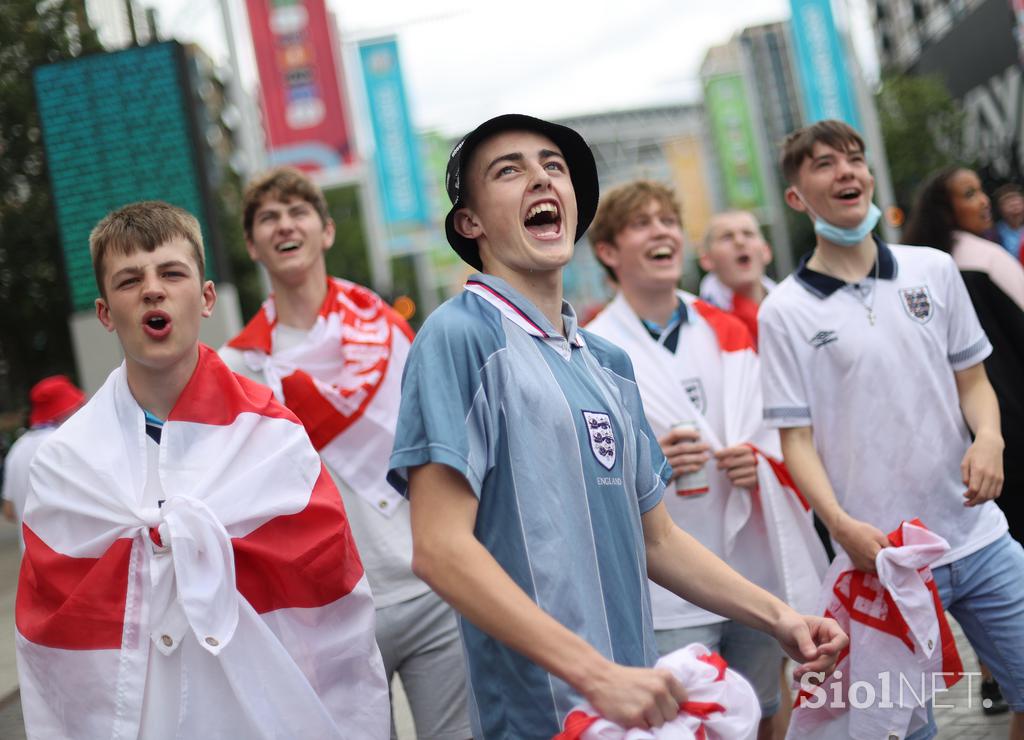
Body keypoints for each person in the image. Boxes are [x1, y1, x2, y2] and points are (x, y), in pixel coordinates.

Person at [386, 113, 847, 739]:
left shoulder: (607, 361)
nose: (541, 179)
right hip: (541, 717)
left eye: (554, 166)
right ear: (469, 222)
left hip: (633, 709)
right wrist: (595, 675)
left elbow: (657, 540)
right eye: (508, 170)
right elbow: (439, 549)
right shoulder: (459, 335)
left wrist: (780, 617)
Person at [16, 201, 389, 740]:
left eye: (172, 273)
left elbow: (332, 605)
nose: (152, 290)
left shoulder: (273, 438)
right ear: (104, 313)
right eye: (128, 281)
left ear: (207, 297)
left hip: (257, 714)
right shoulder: (65, 461)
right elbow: (49, 638)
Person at [759, 119, 1024, 739]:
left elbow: (974, 382)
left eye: (855, 158)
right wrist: (841, 525)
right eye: (824, 164)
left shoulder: (933, 270)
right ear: (797, 197)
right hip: (879, 562)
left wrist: (990, 438)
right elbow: (794, 441)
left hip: (979, 537)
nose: (846, 170)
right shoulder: (784, 312)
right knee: (900, 729)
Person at [219, 166, 471, 740]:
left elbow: (441, 440)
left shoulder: (385, 330)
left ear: (326, 231)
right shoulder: (240, 366)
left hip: (430, 583)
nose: (285, 224)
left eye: (298, 211)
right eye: (268, 217)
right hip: (327, 611)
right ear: (253, 244)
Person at [585, 180, 828, 740]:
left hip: (750, 568)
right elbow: (585, 463)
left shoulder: (732, 329)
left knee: (764, 709)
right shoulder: (593, 348)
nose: (662, 231)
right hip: (667, 590)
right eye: (642, 224)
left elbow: (782, 429)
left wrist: (761, 460)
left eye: (668, 220)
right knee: (684, 722)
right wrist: (647, 461)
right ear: (608, 252)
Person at [903, 167, 1024, 718]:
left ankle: (996, 675)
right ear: (945, 209)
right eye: (968, 195)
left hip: (986, 427)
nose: (983, 203)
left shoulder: (932, 267)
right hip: (999, 423)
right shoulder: (969, 262)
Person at [1, 375, 85, 548]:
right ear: (66, 409)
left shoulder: (17, 449)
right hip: (71, 556)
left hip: (32, 560)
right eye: (78, 406)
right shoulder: (67, 443)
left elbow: (9, 511)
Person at [697, 210, 777, 345]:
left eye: (748, 234)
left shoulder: (794, 308)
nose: (740, 241)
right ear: (706, 259)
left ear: (766, 251)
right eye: (727, 237)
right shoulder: (698, 323)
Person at [992, 183, 1024, 259]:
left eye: (1017, 199)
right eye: (1008, 201)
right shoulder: (995, 233)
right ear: (1000, 208)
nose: (1014, 204)